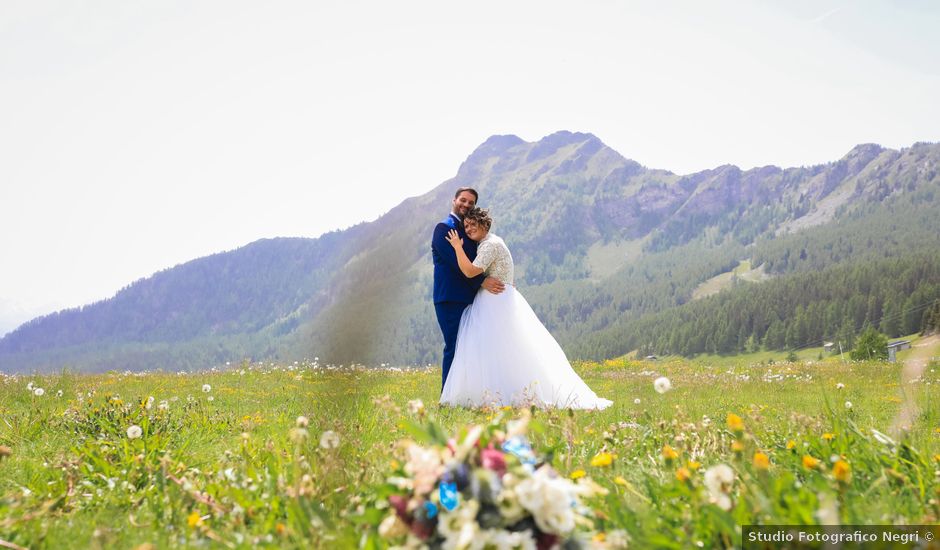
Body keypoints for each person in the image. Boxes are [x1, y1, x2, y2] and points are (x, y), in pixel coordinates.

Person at [440, 207, 612, 409]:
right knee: (499, 350)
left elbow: (469, 272)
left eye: (472, 224)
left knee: (496, 349)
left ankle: (500, 394)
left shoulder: (489, 245)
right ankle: (495, 393)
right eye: (466, 225)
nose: (468, 229)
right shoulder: (492, 242)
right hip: (497, 300)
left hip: (495, 303)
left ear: (484, 224)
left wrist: (457, 247)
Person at [431, 188, 505, 391]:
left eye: (471, 202)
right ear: (454, 200)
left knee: (469, 347)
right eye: (463, 200)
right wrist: (482, 281)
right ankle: (447, 398)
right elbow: (456, 263)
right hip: (450, 298)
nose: (466, 205)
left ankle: (466, 394)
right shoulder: (443, 228)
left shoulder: (468, 228)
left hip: (470, 297)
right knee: (454, 347)